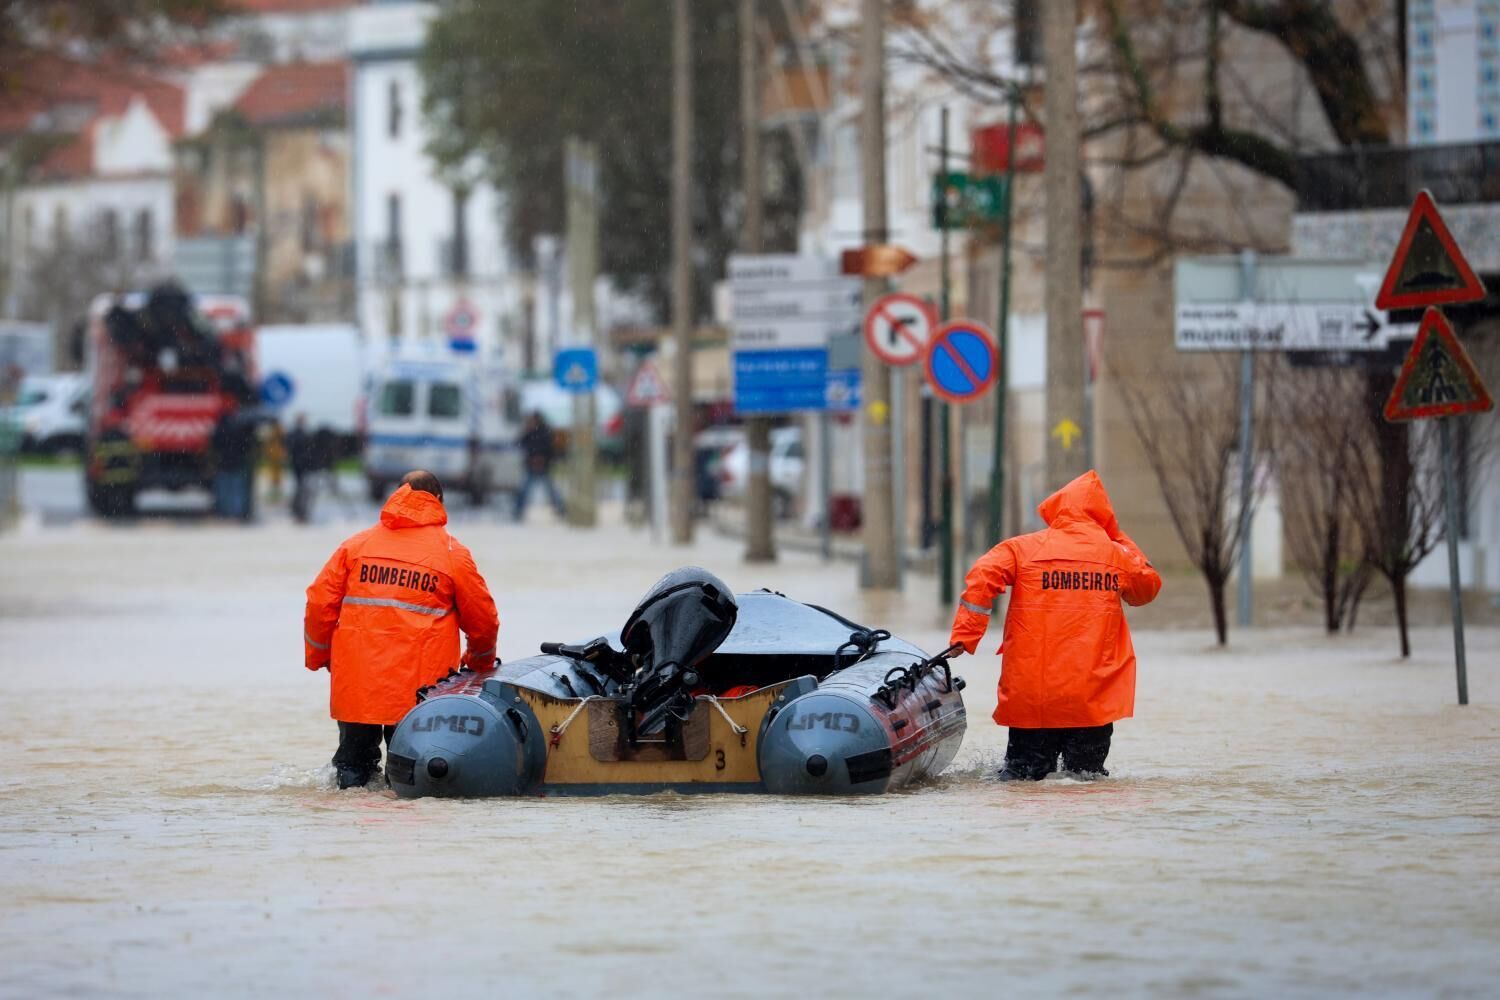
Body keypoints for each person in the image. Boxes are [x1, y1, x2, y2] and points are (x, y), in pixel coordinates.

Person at [948, 469, 1161, 781]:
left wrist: (965, 636)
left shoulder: (1022, 549)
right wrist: (1115, 535)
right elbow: (1147, 588)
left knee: (1022, 783)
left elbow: (982, 575)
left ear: (1058, 509)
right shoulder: (1117, 555)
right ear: (1102, 515)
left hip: (1033, 697)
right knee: (1087, 783)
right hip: (1092, 700)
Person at [303, 470, 500, 788]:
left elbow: (318, 604)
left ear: (396, 494)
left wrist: (320, 655)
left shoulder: (356, 546)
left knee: (352, 775)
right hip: (420, 693)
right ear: (439, 500)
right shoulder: (452, 553)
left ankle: (348, 819)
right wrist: (480, 662)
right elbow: (483, 620)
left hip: (357, 684)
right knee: (411, 778)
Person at [514, 411, 564, 521]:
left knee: (549, 490)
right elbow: (520, 443)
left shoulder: (544, 433)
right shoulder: (530, 432)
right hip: (532, 466)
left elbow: (549, 449)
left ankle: (561, 509)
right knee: (526, 490)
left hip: (543, 466)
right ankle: (518, 511)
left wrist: (542, 459)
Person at [211, 410, 255, 520]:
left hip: (223, 463)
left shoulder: (219, 430)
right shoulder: (239, 429)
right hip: (238, 463)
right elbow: (246, 445)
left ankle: (223, 512)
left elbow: (214, 444)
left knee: (223, 490)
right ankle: (237, 512)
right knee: (237, 490)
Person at [287, 414, 317, 523]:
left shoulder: (295, 434)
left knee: (300, 489)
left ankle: (299, 512)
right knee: (301, 490)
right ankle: (300, 512)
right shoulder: (301, 434)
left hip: (299, 465)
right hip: (301, 465)